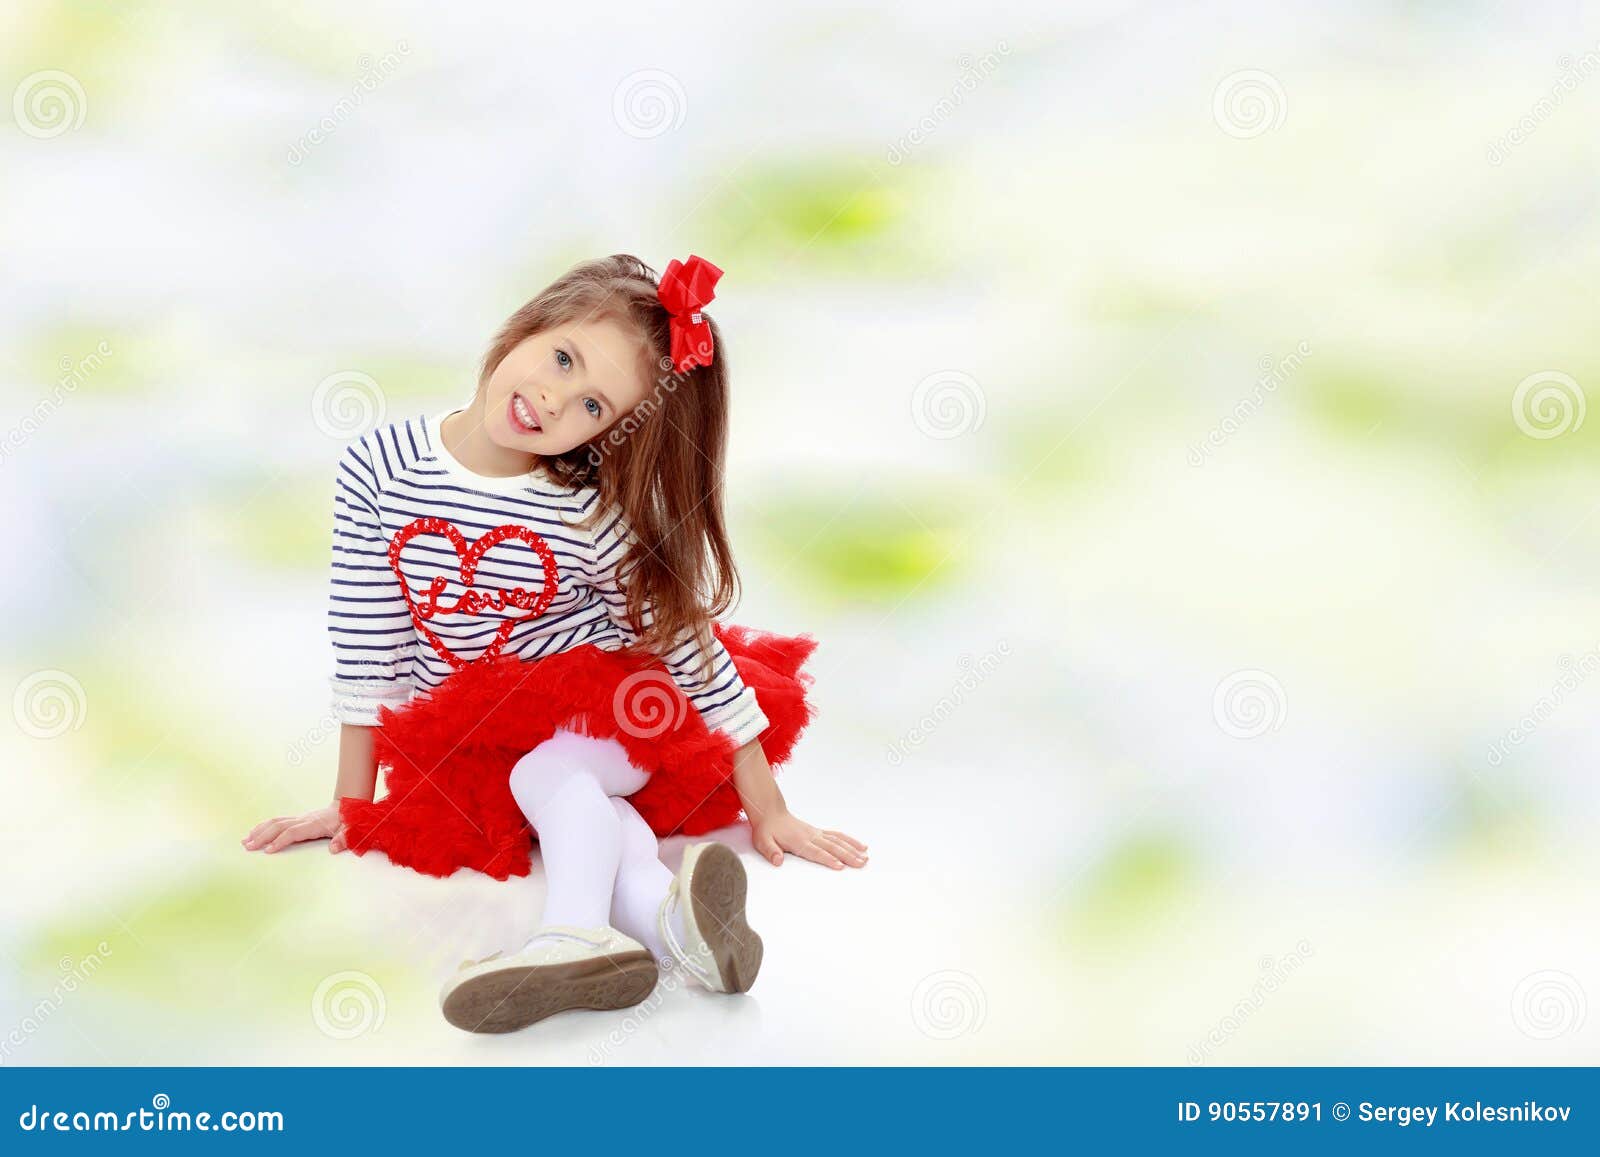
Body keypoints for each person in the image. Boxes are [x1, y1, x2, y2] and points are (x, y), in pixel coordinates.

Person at [243, 254, 866, 1033]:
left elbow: (686, 648)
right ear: (524, 328)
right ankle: (679, 932)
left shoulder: (586, 515)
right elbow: (370, 639)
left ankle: (568, 936)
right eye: (561, 358)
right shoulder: (380, 468)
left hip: (619, 712)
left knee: (556, 767)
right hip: (479, 743)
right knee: (594, 823)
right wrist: (351, 803)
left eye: (592, 403)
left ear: (609, 431)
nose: (552, 398)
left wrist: (767, 806)